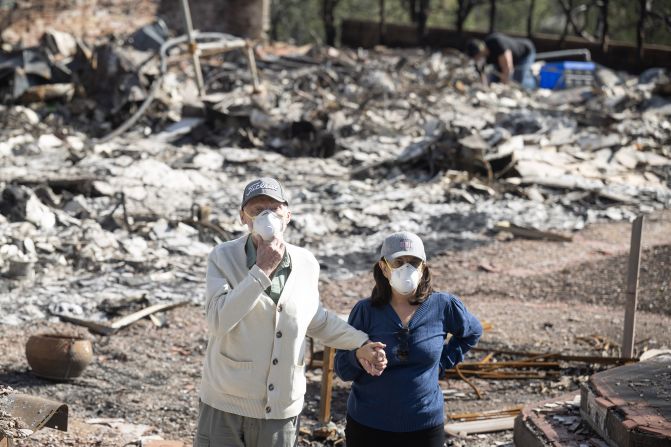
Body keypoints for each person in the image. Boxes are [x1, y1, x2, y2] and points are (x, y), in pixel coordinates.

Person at [195, 177, 387, 447]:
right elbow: (218, 321)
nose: (266, 216)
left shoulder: (306, 262)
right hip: (225, 405)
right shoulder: (223, 257)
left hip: (282, 410)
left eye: (273, 209)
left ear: (288, 215)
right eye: (256, 210)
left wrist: (360, 343)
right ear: (243, 218)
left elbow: (316, 319)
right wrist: (261, 271)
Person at [334, 231, 483, 447]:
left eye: (414, 262)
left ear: (424, 267)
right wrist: (358, 356)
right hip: (368, 426)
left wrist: (442, 363)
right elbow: (342, 369)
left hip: (424, 426)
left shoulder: (444, 305)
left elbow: (472, 332)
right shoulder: (365, 311)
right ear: (384, 268)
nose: (407, 269)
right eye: (399, 262)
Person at [465, 32, 536, 90]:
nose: (477, 59)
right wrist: (484, 88)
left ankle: (534, 85)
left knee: (518, 80)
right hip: (506, 62)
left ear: (481, 50)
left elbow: (508, 69)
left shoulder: (497, 44)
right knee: (494, 80)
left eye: (477, 56)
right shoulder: (482, 57)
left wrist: (503, 89)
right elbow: (482, 72)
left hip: (525, 53)